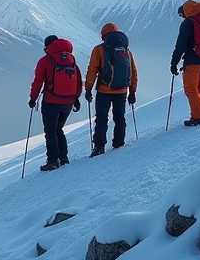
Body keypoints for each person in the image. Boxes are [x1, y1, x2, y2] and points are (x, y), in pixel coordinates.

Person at [29, 35, 83, 171]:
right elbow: (78, 80)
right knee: (59, 129)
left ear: (47, 47)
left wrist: (33, 98)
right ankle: (63, 157)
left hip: (51, 101)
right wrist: (76, 98)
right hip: (68, 102)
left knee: (50, 131)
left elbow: (38, 82)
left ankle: (52, 160)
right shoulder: (71, 60)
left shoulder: (45, 61)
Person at [84, 23, 138, 157]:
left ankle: (99, 147)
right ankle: (119, 143)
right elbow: (133, 71)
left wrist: (88, 88)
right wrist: (132, 91)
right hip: (122, 91)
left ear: (103, 36)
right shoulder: (126, 51)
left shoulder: (99, 50)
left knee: (101, 118)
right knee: (120, 117)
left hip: (104, 90)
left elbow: (92, 70)